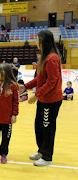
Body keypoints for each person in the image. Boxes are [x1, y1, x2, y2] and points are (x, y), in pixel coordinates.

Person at [20, 30, 63, 166]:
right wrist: (25, 86)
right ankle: (41, 151)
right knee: (39, 126)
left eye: (37, 39)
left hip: (51, 101)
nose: (36, 42)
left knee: (47, 128)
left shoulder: (52, 58)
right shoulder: (44, 57)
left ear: (43, 40)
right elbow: (40, 78)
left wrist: (37, 95)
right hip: (44, 99)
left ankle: (47, 157)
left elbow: (51, 81)